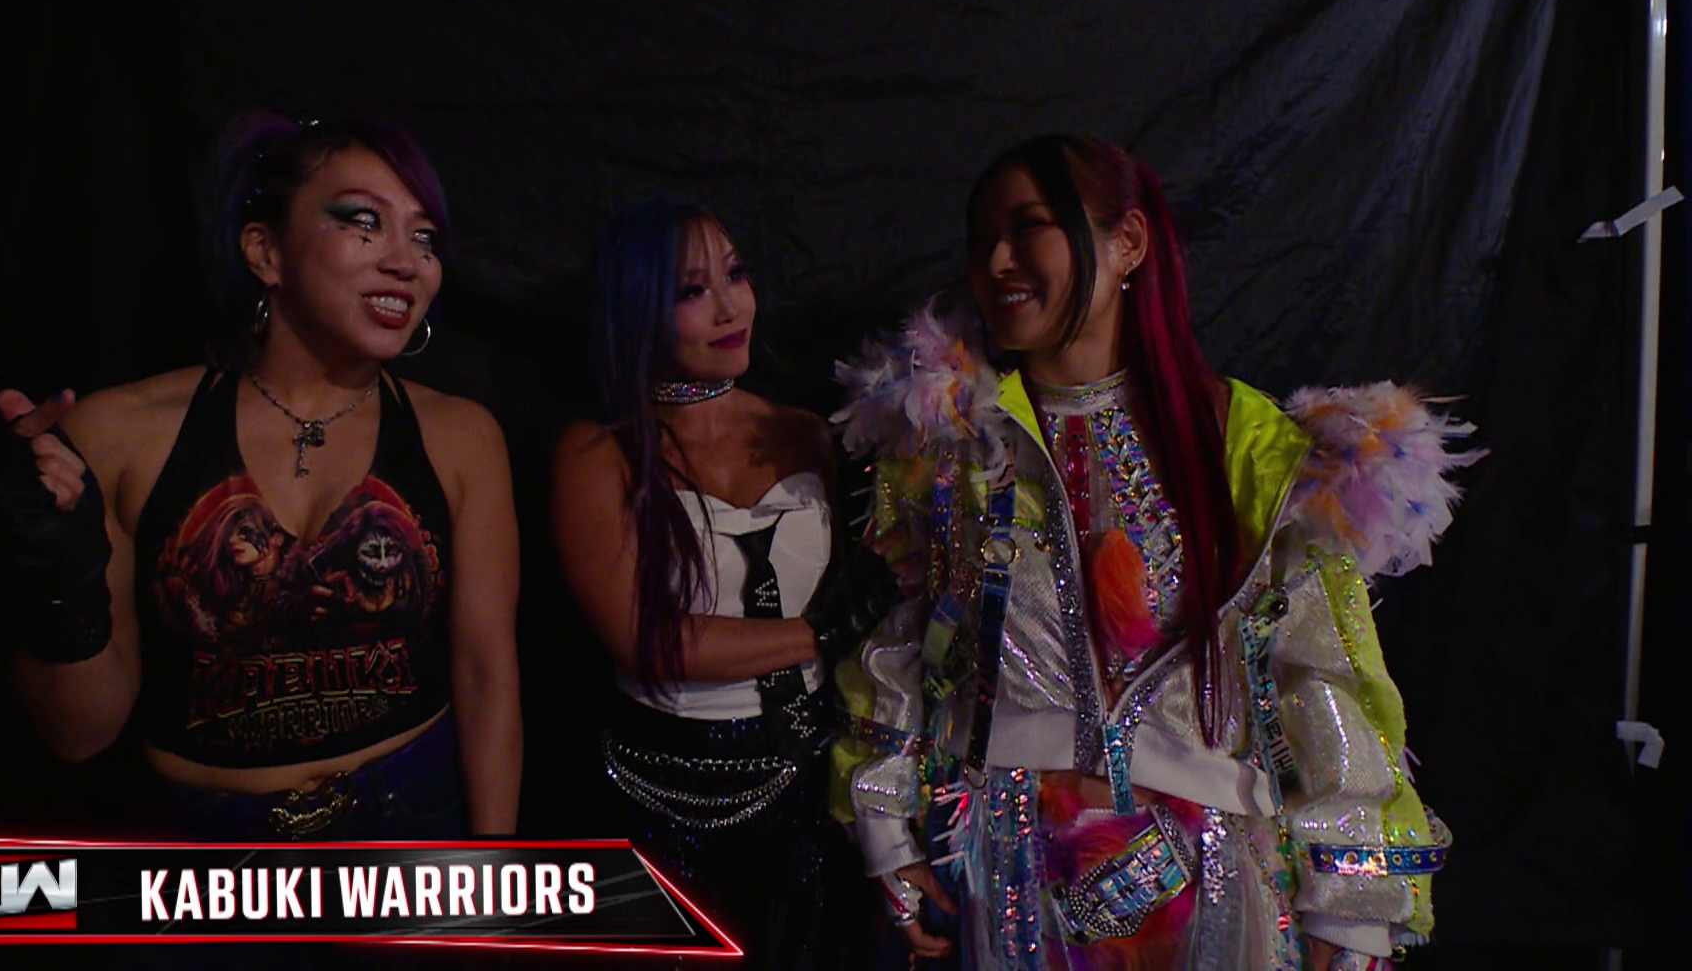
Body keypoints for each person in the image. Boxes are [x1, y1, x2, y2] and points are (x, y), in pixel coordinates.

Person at [829, 135, 1474, 970]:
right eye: (980, 239)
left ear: (1127, 242)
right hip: (1004, 874)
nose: (997, 262)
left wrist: (1350, 913)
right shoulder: (952, 447)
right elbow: (907, 644)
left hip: (1215, 890)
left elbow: (1321, 677)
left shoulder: (1250, 449)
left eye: (1029, 227)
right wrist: (886, 829)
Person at [0, 113, 522, 843]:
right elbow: (79, 735)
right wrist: (58, 576)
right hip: (204, 857)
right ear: (265, 251)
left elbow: (487, 676)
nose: (408, 262)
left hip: (411, 830)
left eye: (425, 237)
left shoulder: (463, 438)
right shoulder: (119, 436)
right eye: (365, 222)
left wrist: (493, 875)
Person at [550, 200, 878, 969]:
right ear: (635, 308)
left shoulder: (809, 433)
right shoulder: (594, 454)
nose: (731, 308)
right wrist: (826, 630)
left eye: (735, 274)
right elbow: (649, 642)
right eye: (692, 290)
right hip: (659, 798)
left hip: (809, 790)